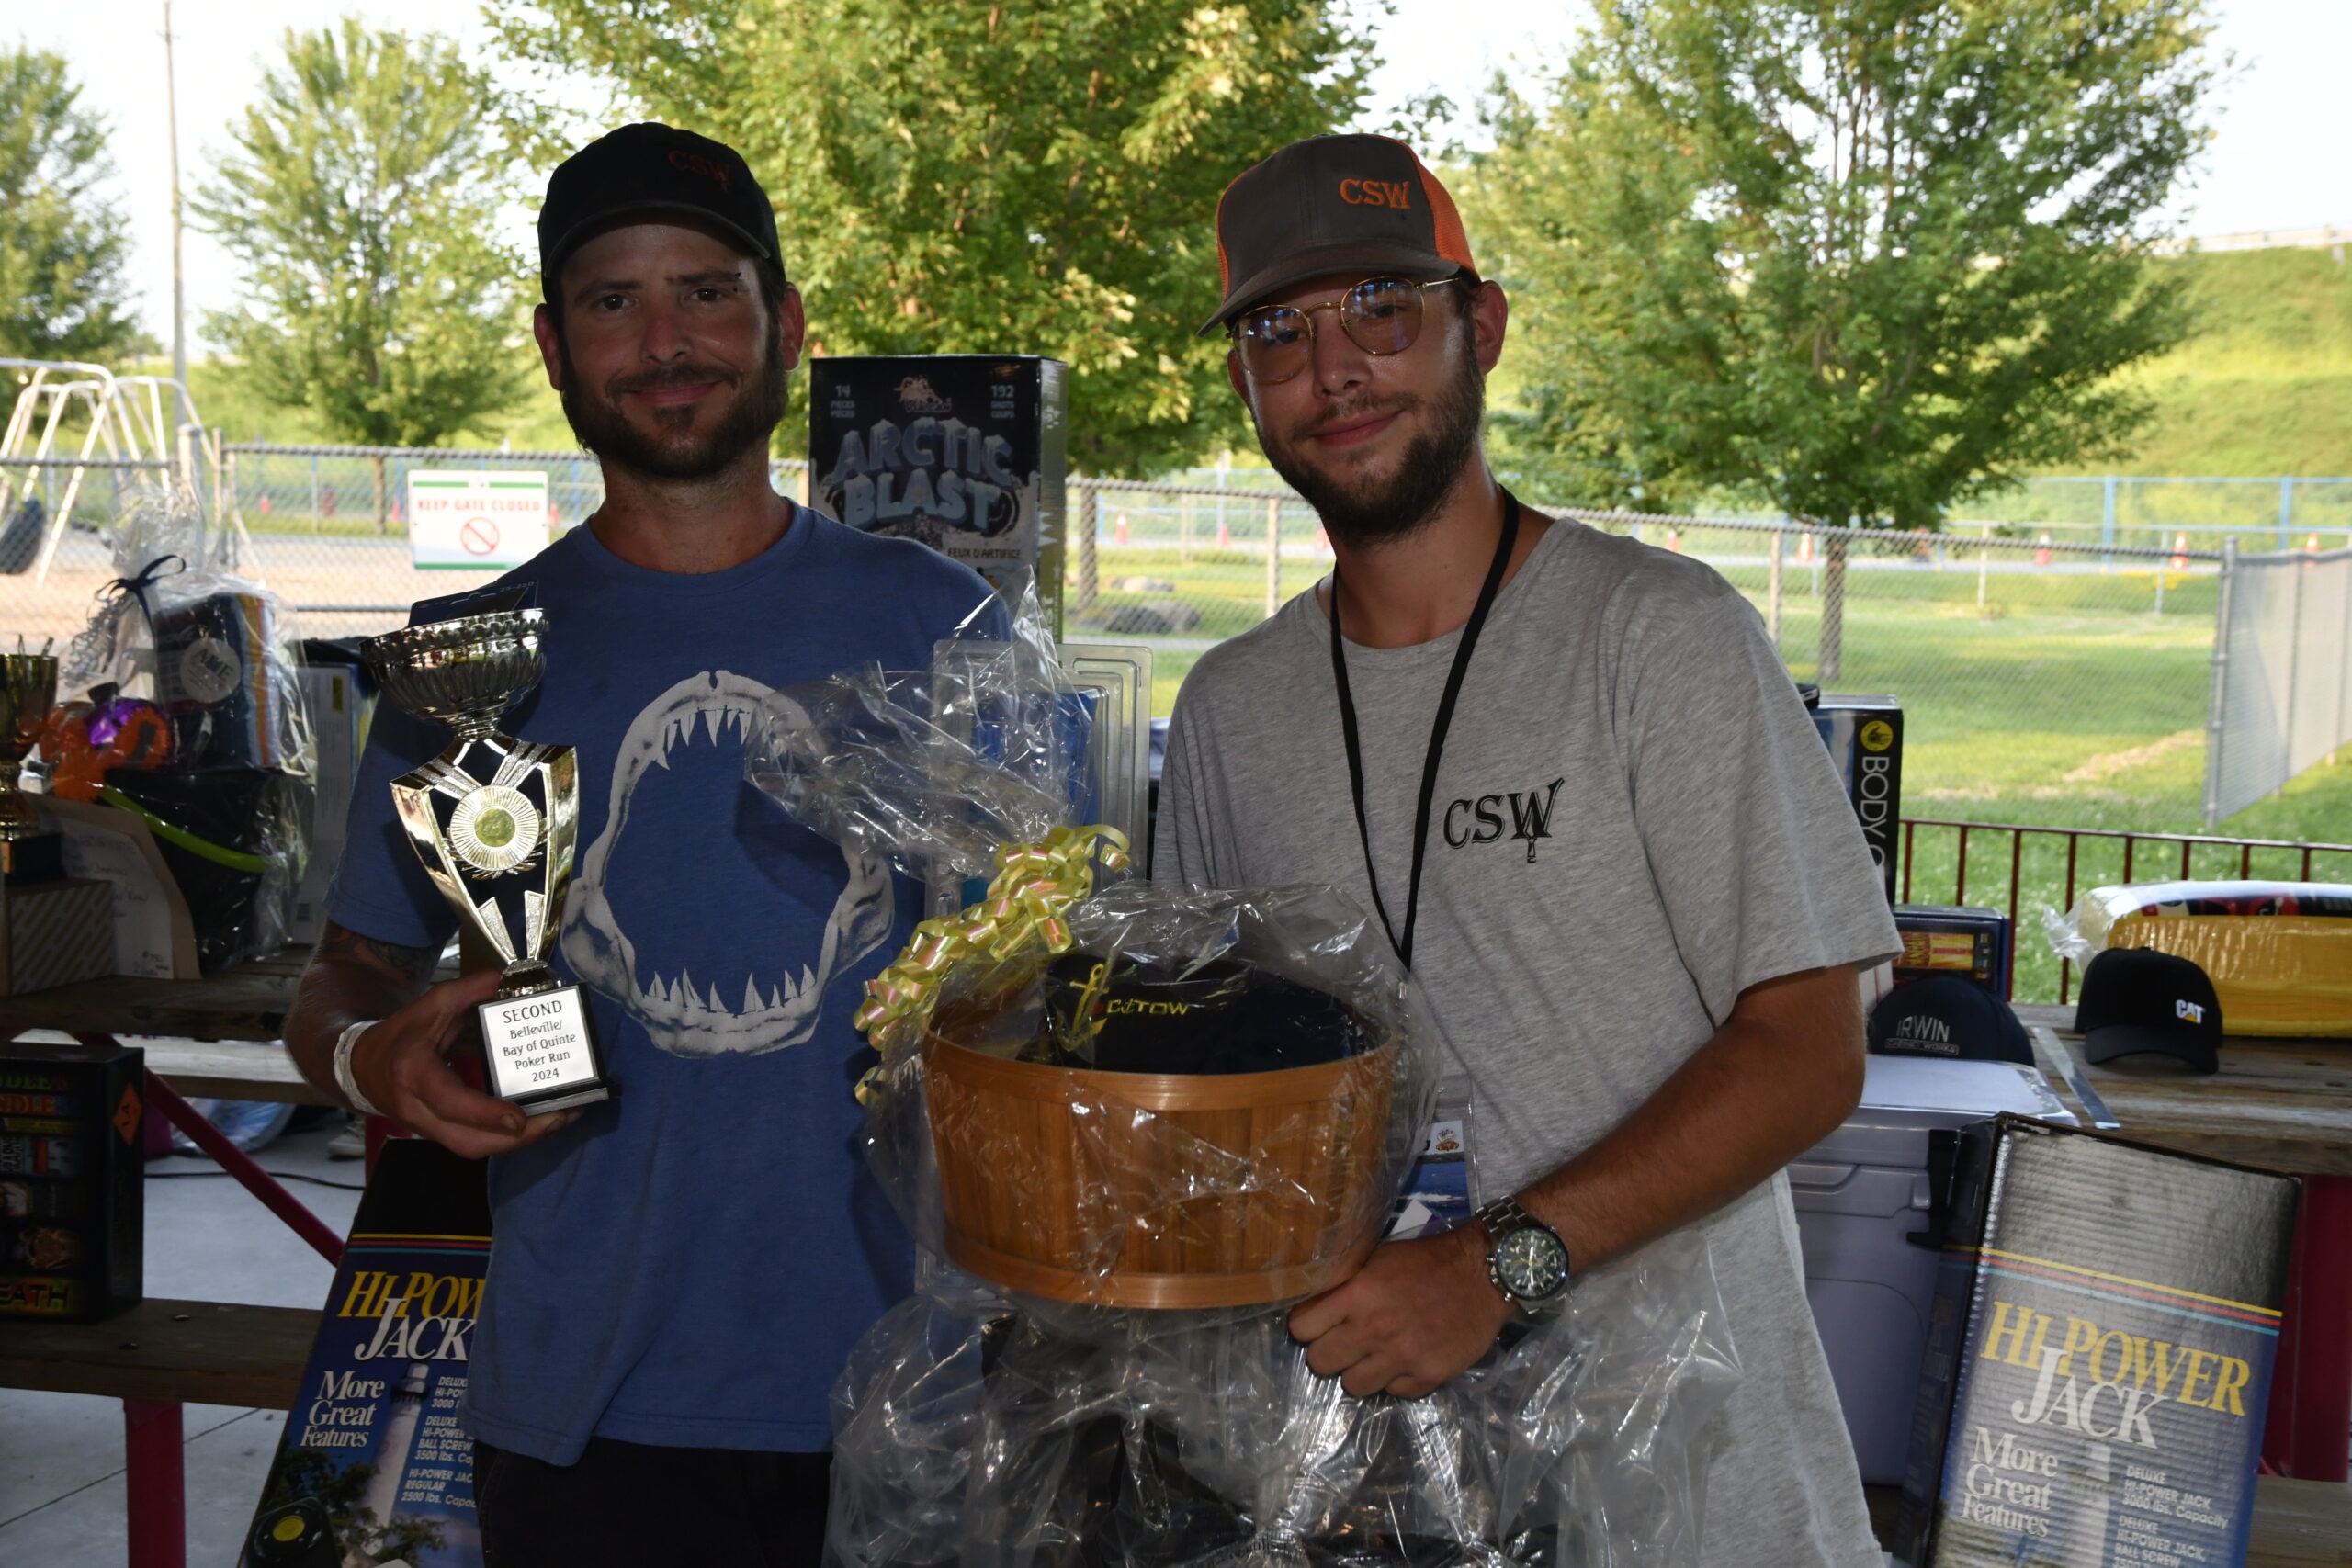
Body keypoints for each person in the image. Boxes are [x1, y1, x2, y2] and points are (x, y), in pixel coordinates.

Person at [1155, 132, 1901, 1566]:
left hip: (1695, 1500)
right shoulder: (1232, 711)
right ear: (1244, 380)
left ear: (1478, 325)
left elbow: (1811, 1048)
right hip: (1370, 1486)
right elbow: (1220, 1085)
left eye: (1382, 308)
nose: (1335, 371)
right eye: (1279, 332)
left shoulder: (1657, 639)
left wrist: (1496, 1267)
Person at [283, 123, 994, 1567]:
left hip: (919, 1389)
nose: (665, 340)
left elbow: (1050, 981)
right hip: (586, 1404)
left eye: (707, 292)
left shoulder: (945, 627)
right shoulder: (465, 659)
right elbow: (345, 976)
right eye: (614, 302)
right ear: (555, 345)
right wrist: (380, 1059)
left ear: (784, 325)